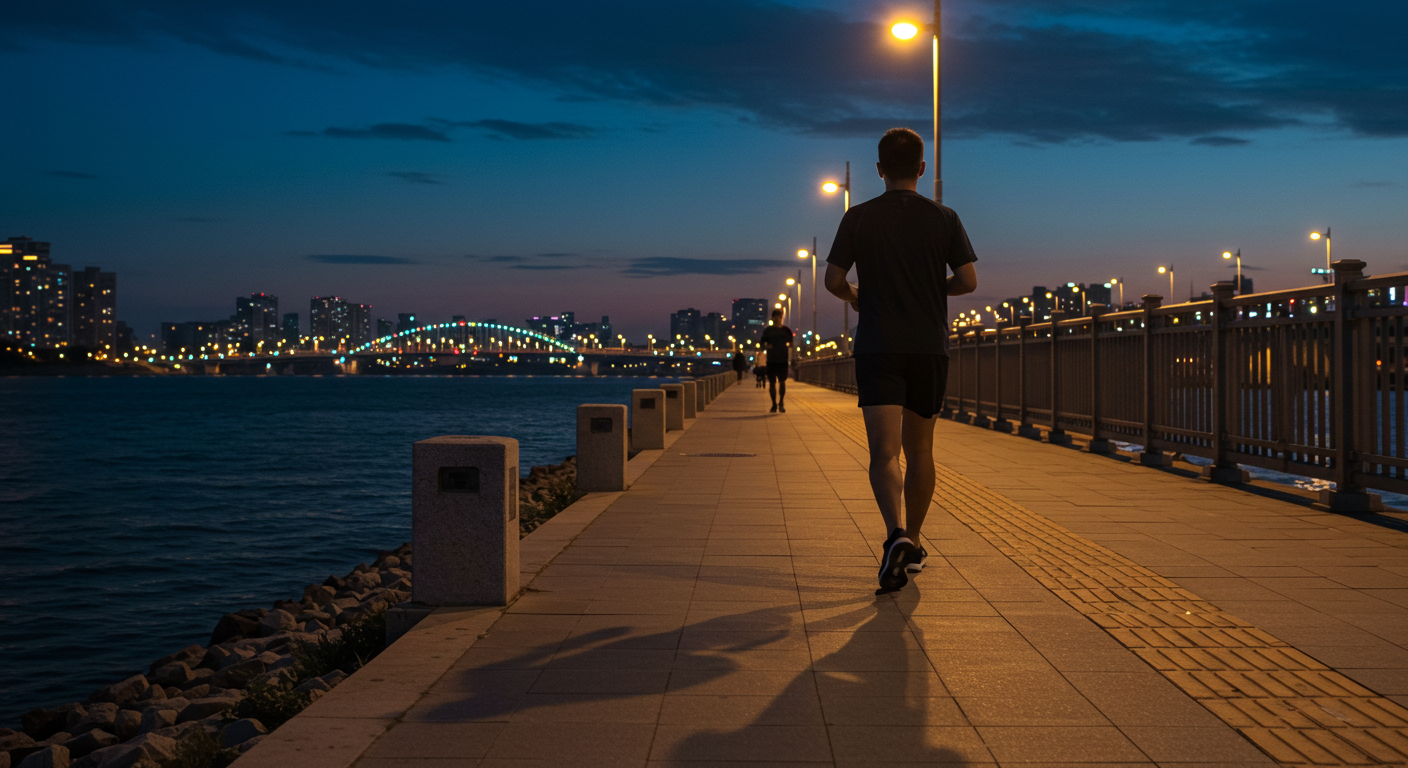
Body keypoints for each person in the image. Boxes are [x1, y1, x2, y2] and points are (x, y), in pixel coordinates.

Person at [823, 127, 978, 593]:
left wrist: (856, 296)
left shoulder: (859, 217)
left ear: (879, 170)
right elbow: (968, 281)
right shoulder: (945, 217)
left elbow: (833, 279)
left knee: (883, 452)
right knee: (922, 451)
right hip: (928, 347)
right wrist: (935, 289)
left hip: (878, 346)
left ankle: (894, 534)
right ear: (922, 168)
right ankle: (914, 540)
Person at [759, 309, 793, 413]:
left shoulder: (786, 330)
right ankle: (774, 403)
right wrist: (766, 345)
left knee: (782, 382)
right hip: (772, 359)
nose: (778, 319)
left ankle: (781, 402)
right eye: (776, 317)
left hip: (783, 359)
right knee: (772, 383)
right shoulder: (768, 331)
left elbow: (791, 343)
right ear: (773, 318)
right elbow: (762, 343)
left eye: (780, 316)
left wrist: (788, 346)